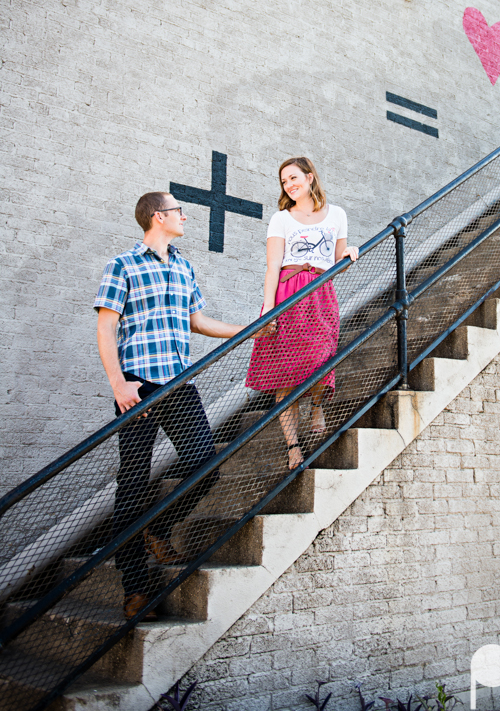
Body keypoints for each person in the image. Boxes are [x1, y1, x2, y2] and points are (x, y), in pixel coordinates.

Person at [95, 191, 252, 621]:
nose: (184, 217)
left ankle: (159, 526)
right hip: (138, 389)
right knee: (132, 484)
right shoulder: (122, 265)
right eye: (178, 212)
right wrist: (118, 384)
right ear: (157, 217)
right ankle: (136, 589)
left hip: (179, 384)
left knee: (206, 464)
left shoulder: (184, 266)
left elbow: (197, 322)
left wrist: (249, 330)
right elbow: (106, 328)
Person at [246, 157, 358, 471]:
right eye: (284, 181)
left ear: (310, 178)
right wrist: (269, 309)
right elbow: (272, 266)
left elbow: (337, 260)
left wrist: (348, 253)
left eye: (294, 178)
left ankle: (318, 405)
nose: (289, 185)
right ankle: (293, 445)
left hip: (321, 294)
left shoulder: (336, 214)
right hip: (286, 294)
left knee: (322, 359)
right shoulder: (281, 218)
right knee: (285, 375)